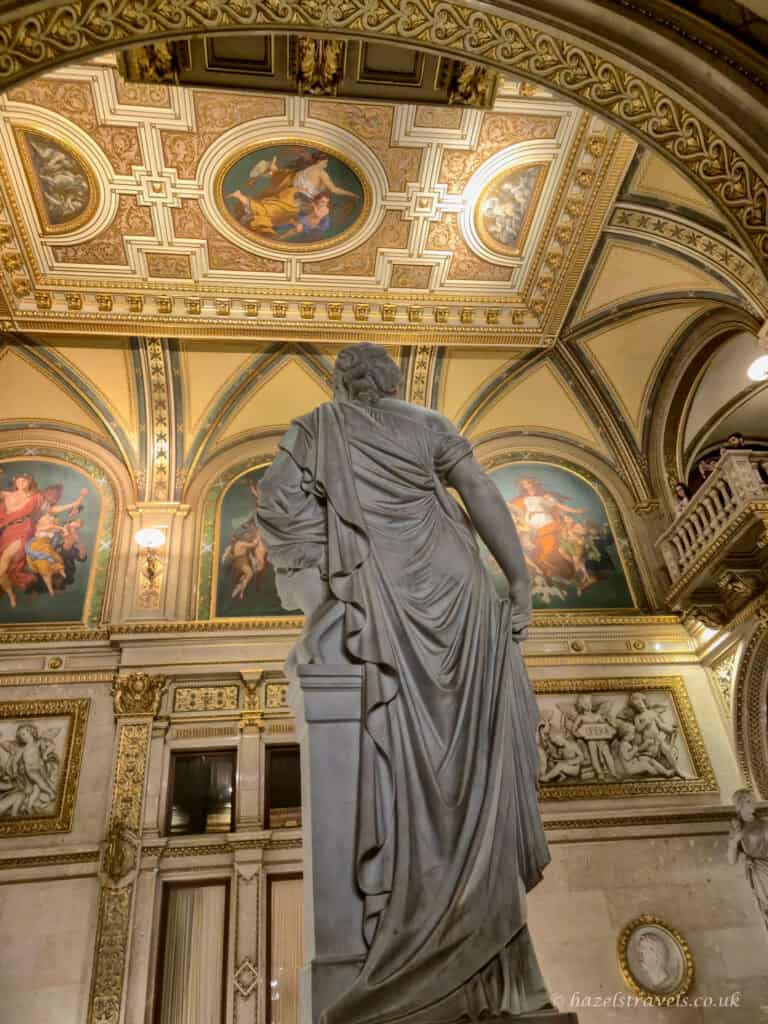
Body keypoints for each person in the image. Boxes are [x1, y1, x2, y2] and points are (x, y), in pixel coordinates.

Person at [257, 343, 553, 1023]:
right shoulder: (428, 422)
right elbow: (481, 493)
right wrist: (519, 580)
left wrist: (318, 570)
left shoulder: (318, 426)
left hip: (379, 594)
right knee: (477, 762)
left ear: (341, 382)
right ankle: (488, 949)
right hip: (459, 586)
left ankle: (421, 928)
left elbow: (276, 501)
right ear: (391, 380)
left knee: (407, 762)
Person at [0, 473, 86, 608]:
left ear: (30, 483)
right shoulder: (6, 495)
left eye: (25, 481)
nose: (22, 483)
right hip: (7, 531)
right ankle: (11, 594)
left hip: (23, 529)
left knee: (5, 560)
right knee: (2, 572)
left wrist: (73, 504)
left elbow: (51, 510)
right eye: (19, 480)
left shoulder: (35, 497)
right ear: (15, 482)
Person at [728, 788, 768, 931]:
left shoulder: (764, 823)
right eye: (748, 801)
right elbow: (731, 860)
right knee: (765, 906)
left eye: (753, 800)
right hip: (757, 870)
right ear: (739, 805)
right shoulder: (737, 827)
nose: (753, 804)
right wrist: (734, 842)